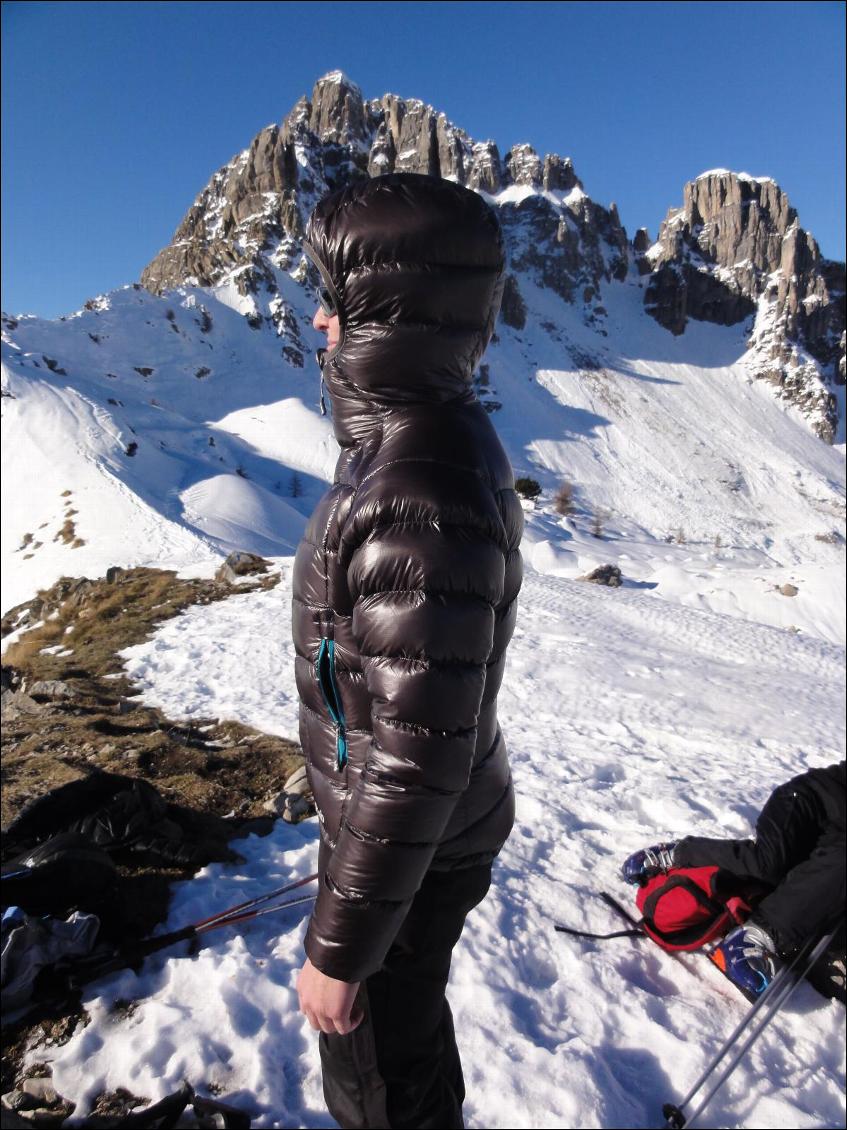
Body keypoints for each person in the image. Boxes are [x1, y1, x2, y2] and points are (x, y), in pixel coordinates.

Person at [290, 172, 524, 1129]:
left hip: (410, 844)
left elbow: (415, 750)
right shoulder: (417, 444)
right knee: (407, 1040)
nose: (315, 325)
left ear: (387, 314)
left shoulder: (412, 483)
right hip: (414, 837)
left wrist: (340, 950)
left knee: (378, 1070)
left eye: (333, 304)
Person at [622, 761, 846, 999]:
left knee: (804, 888)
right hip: (804, 801)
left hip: (829, 842)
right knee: (767, 865)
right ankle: (677, 855)